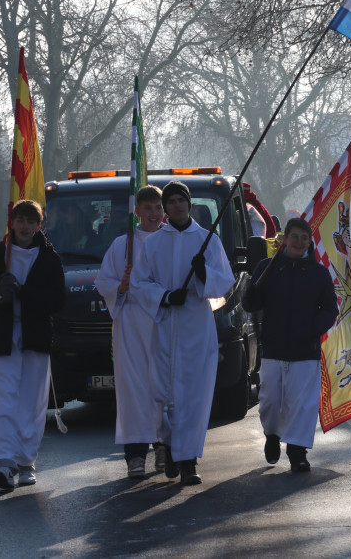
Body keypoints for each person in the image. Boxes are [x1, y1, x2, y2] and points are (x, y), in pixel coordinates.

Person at [130, 181, 236, 485]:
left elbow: (224, 280)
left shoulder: (207, 240)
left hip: (196, 327)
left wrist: (203, 273)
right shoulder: (153, 243)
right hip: (165, 326)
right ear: (165, 207)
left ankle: (189, 460)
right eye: (171, 201)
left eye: (181, 200)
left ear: (189, 204)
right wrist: (164, 296)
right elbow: (139, 283)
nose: (176, 206)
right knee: (164, 394)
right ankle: (168, 444)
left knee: (193, 394)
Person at [0, 200, 65, 491]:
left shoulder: (50, 258)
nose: (25, 226)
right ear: (11, 223)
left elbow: (57, 301)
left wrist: (24, 293)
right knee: (3, 399)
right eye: (20, 220)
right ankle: (4, 461)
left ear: (39, 226)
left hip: (35, 338)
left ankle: (26, 461)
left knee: (31, 402)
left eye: (31, 221)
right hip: (4, 338)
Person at [243, 218, 337, 473]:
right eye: (294, 237)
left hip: (305, 351)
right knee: (271, 400)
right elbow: (251, 304)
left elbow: (330, 309)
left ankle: (297, 451)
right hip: (273, 348)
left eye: (303, 238)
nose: (298, 242)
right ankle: (272, 435)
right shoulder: (267, 267)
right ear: (285, 239)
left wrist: (311, 330)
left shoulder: (317, 273)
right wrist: (251, 295)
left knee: (301, 403)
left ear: (309, 242)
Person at [95, 186, 167, 479]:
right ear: (137, 211)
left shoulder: (172, 242)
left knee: (164, 386)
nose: (153, 213)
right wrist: (120, 287)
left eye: (157, 207)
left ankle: (165, 447)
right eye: (147, 208)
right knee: (134, 390)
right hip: (131, 325)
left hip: (163, 322)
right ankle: (135, 454)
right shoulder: (122, 244)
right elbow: (103, 281)